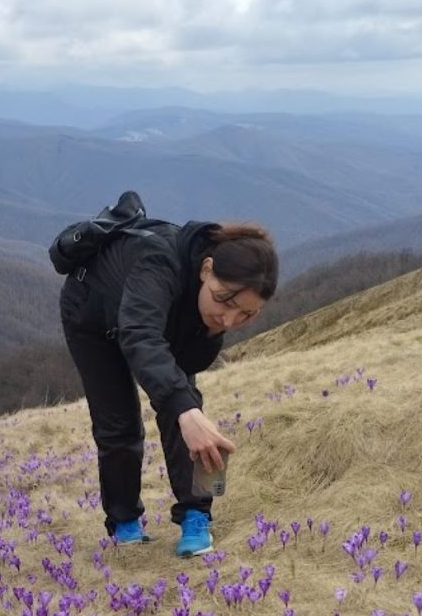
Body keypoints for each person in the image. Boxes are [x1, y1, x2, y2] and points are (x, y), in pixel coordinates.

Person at [59, 214, 278, 556]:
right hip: (92, 316)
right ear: (206, 269)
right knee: (118, 422)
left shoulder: (210, 301)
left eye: (246, 315)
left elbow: (185, 367)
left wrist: (185, 404)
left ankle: (196, 514)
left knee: (184, 406)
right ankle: (124, 521)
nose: (229, 320)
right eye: (225, 300)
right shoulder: (160, 261)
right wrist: (184, 407)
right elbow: (140, 334)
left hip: (156, 322)